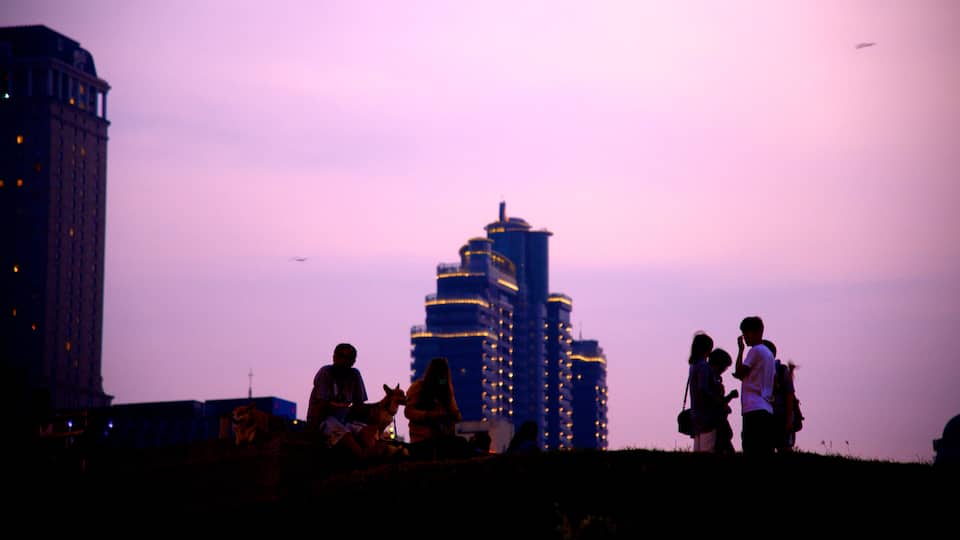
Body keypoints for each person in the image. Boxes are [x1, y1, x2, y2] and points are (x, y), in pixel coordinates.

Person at [306, 343, 370, 457]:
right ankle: (364, 461)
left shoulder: (354, 374)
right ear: (334, 357)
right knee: (346, 435)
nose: (343, 361)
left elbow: (359, 405)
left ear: (353, 361)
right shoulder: (326, 372)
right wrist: (312, 431)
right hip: (324, 419)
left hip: (344, 420)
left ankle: (374, 456)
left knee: (366, 432)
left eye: (348, 358)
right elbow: (320, 406)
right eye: (341, 356)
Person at [405, 357, 465, 460]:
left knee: (461, 445)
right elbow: (408, 412)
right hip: (422, 440)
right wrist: (428, 415)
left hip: (442, 438)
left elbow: (456, 413)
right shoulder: (418, 388)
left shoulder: (445, 391)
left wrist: (452, 415)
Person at [733, 317, 776, 455]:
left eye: (746, 333)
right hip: (766, 407)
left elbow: (740, 372)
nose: (744, 338)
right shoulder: (768, 353)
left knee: (751, 448)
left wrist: (740, 351)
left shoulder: (755, 351)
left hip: (753, 407)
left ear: (756, 332)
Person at [764, 339, 799, 453]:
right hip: (770, 415)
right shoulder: (779, 370)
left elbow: (790, 397)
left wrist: (789, 420)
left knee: (784, 448)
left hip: (781, 415)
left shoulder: (781, 370)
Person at [688, 332, 720, 452]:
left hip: (695, 414)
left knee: (697, 448)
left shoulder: (693, 366)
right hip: (706, 414)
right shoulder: (704, 366)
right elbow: (703, 388)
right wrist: (716, 399)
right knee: (707, 448)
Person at [708, 348, 738, 454]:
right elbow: (715, 401)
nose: (725, 369)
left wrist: (729, 397)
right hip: (716, 422)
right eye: (724, 366)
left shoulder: (714, 378)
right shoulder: (711, 379)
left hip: (718, 420)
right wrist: (728, 398)